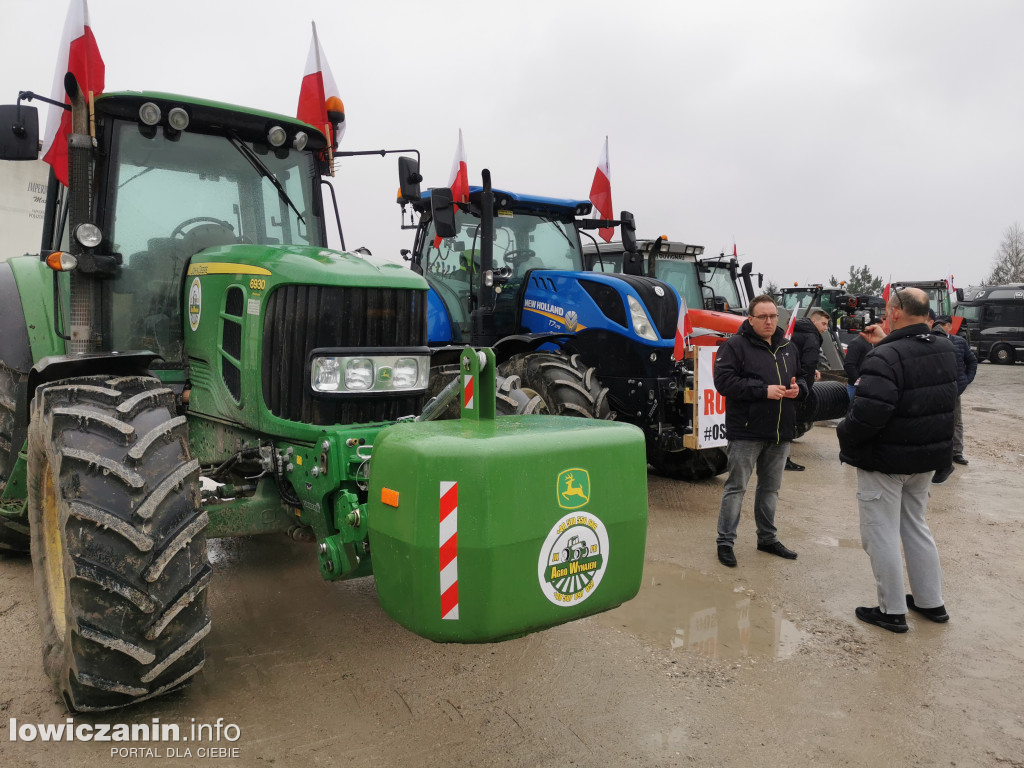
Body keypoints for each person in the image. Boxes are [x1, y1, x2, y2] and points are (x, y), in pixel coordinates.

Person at [837, 287, 957, 633]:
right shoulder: (944, 348)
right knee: (916, 527)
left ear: (896, 312)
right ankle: (930, 602)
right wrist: (885, 343)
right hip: (926, 459)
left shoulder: (886, 357)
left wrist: (844, 433)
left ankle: (891, 610)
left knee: (881, 534)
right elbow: (912, 367)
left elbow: (869, 413)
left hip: (886, 461)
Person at [713, 295, 806, 567]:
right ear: (750, 319)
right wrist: (762, 391)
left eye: (773, 316)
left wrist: (800, 388)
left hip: (780, 432)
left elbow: (801, 376)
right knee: (736, 487)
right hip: (746, 432)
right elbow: (724, 382)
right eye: (763, 316)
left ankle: (767, 538)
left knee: (770, 490)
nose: (769, 321)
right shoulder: (734, 347)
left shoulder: (789, 347)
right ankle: (725, 542)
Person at [785, 308, 831, 471]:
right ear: (814, 321)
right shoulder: (812, 336)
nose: (825, 328)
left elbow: (795, 357)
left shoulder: (795, 330)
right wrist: (806, 385)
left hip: (786, 377)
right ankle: (784, 459)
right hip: (797, 385)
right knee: (790, 421)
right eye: (824, 324)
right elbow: (809, 362)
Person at [935, 314, 978, 466]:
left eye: (943, 324)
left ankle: (956, 452)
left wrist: (965, 380)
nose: (940, 326)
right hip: (936, 390)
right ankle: (938, 453)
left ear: (950, 326)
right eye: (938, 323)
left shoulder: (959, 342)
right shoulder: (932, 341)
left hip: (954, 390)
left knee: (956, 422)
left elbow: (972, 361)